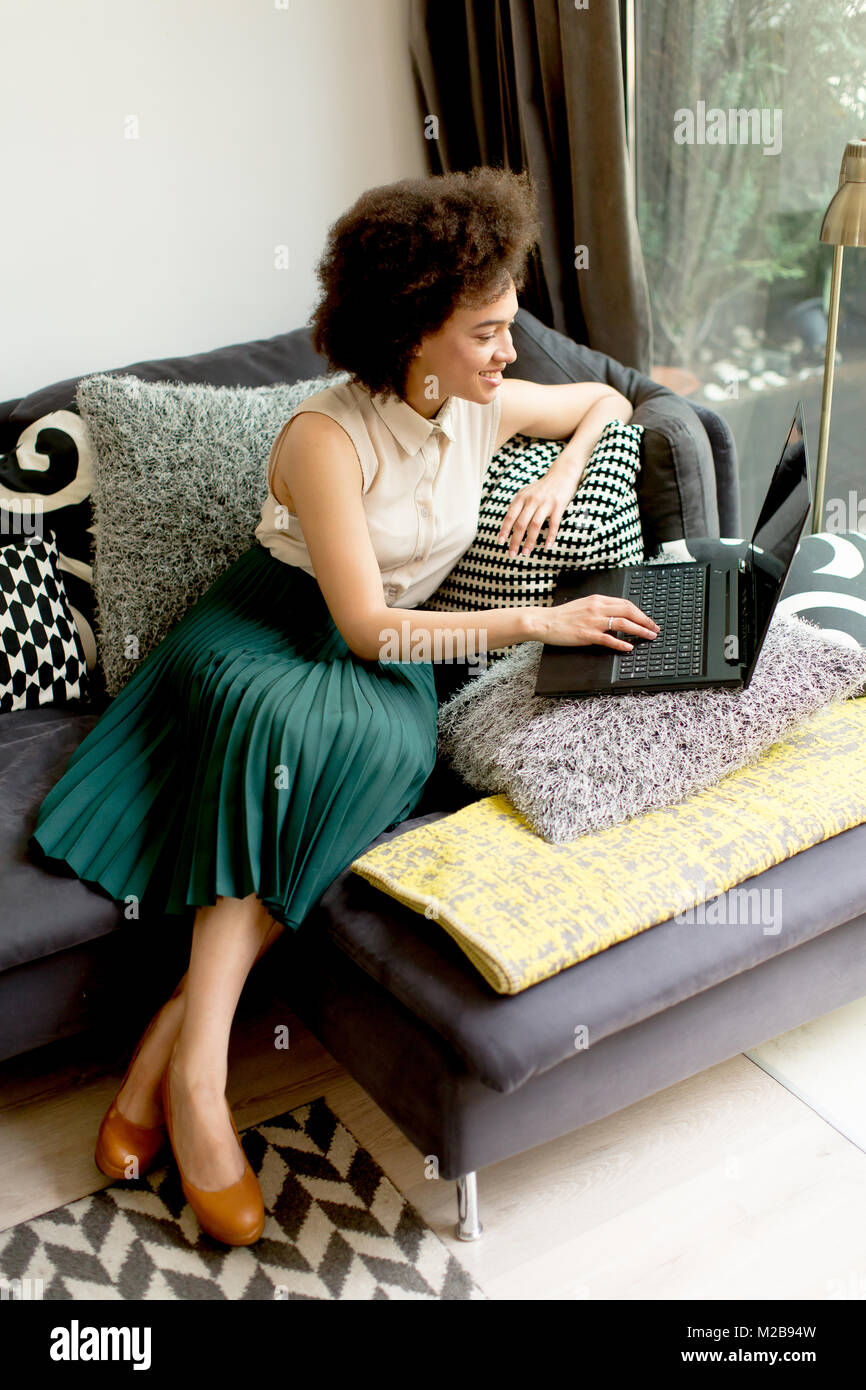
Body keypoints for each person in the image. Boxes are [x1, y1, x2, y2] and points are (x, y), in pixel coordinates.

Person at [28, 166, 659, 1247]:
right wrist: (534, 625)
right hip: (276, 629)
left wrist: (562, 473)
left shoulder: (484, 406)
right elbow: (365, 627)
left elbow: (609, 400)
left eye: (508, 327)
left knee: (385, 751)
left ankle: (167, 1049)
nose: (510, 352)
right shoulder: (326, 437)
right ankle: (198, 1085)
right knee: (300, 734)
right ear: (414, 328)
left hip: (390, 655)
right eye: (487, 332)